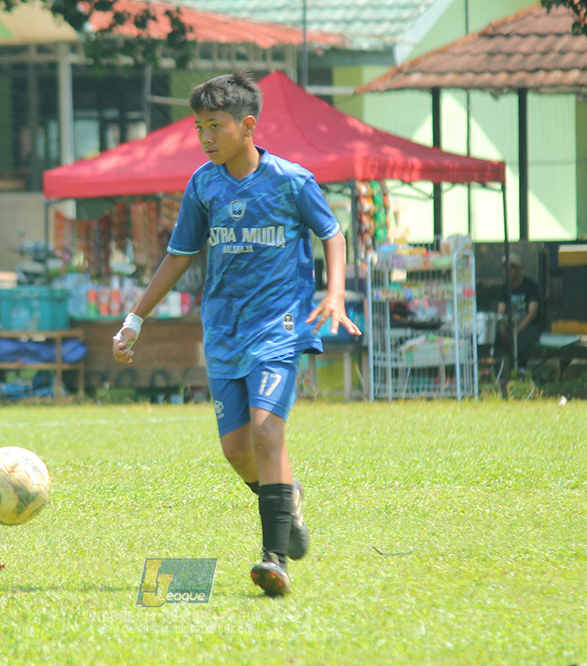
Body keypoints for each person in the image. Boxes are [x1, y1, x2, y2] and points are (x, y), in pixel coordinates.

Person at [112, 71, 361, 597]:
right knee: (235, 450)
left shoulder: (292, 180)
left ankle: (274, 559)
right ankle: (284, 498)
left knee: (269, 432)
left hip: (279, 324)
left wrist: (333, 294)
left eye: (214, 127)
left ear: (247, 125)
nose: (205, 137)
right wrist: (135, 318)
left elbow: (332, 234)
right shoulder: (204, 184)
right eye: (199, 127)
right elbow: (179, 256)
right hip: (223, 328)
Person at [496, 251, 541, 373]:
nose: (508, 271)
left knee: (521, 344)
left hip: (528, 326)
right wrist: (503, 329)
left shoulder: (530, 286)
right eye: (505, 268)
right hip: (509, 325)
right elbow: (500, 311)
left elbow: (532, 314)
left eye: (512, 267)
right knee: (495, 338)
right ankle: (498, 371)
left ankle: (521, 371)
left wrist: (516, 331)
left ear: (519, 269)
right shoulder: (504, 288)